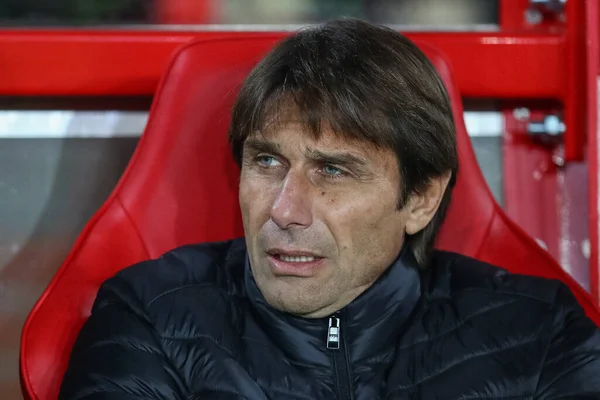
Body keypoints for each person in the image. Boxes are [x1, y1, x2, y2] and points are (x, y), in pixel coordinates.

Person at [59, 19, 600, 399]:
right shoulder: (149, 317)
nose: (286, 211)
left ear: (420, 198)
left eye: (333, 171)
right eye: (267, 162)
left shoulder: (540, 332)